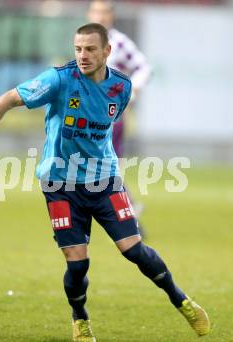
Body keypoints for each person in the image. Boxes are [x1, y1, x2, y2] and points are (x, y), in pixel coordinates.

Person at [0, 23, 210, 342]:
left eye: (90, 49)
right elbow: (8, 99)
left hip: (104, 182)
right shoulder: (59, 80)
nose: (83, 55)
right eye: (78, 49)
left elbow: (107, 126)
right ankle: (80, 320)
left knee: (134, 250)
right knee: (77, 264)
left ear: (107, 51)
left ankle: (183, 302)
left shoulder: (122, 87)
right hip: (60, 185)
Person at [88, 0, 152, 236]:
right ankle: (125, 211)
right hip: (87, 114)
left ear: (111, 16)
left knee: (104, 167)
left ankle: (126, 213)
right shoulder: (86, 42)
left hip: (110, 116)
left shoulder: (119, 43)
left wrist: (131, 91)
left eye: (104, 12)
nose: (100, 16)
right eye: (96, 11)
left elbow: (144, 68)